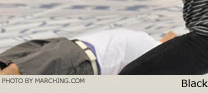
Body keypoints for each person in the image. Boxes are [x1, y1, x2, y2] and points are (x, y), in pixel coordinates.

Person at [0, 28, 176, 75]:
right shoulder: (154, 44)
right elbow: (170, 35)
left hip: (79, 60)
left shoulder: (159, 60)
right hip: (69, 46)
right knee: (6, 64)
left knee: (15, 74)